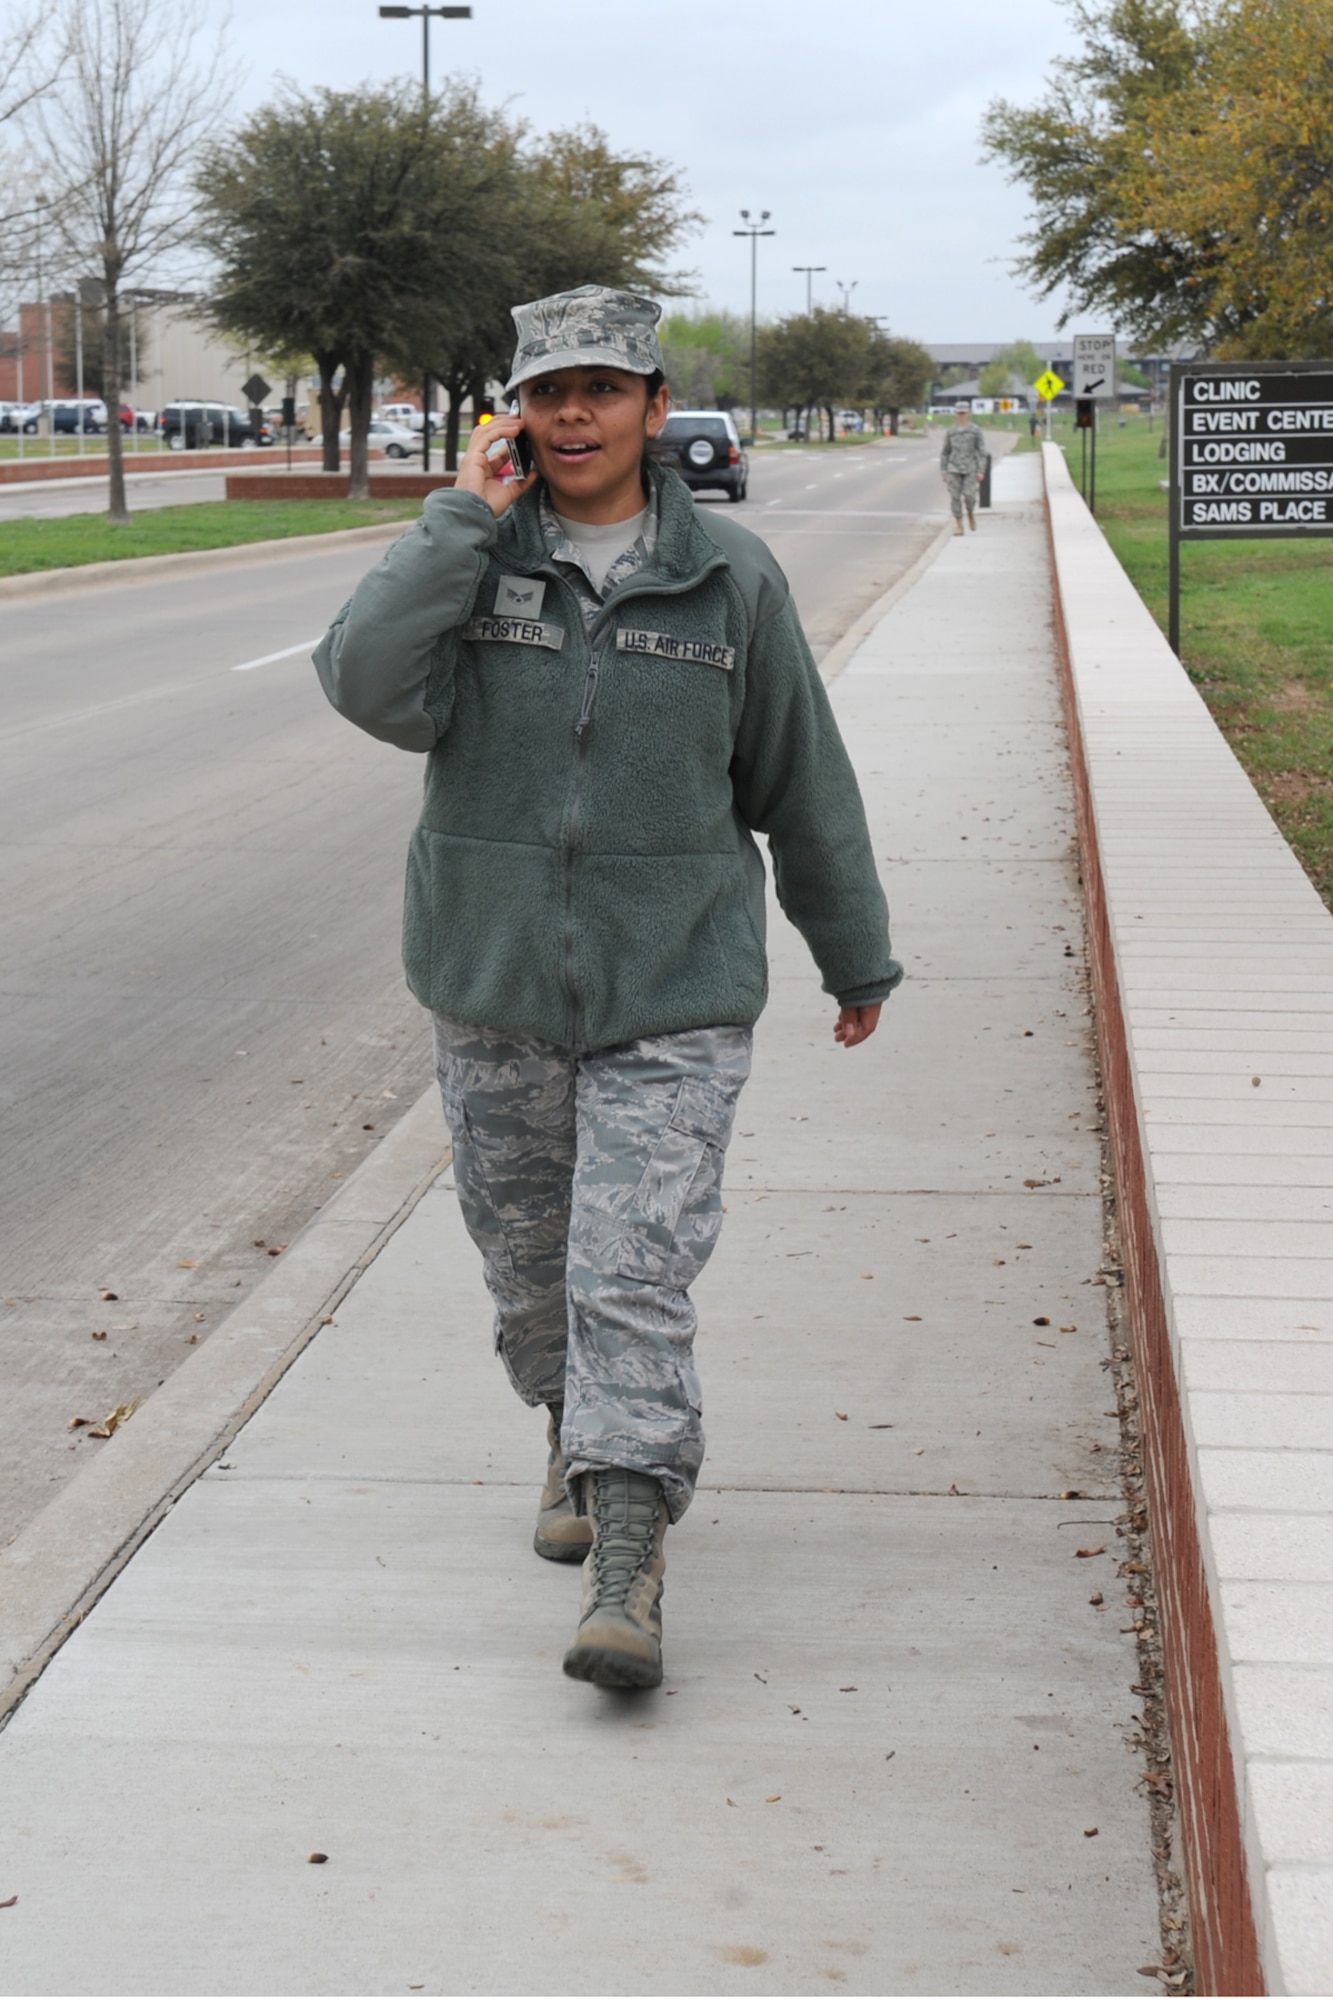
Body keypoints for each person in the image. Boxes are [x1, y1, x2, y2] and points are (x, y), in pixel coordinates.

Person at [314, 284, 902, 1691]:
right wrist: (456, 519)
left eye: (601, 388)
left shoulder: (729, 578)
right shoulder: (474, 561)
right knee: (533, 1282)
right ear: (513, 411)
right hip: (494, 980)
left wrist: (852, 946)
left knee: (629, 1270)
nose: (571, 413)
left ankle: (629, 1566)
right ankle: (570, 1431)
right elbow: (363, 686)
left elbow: (798, 781)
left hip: (676, 989)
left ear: (651, 408)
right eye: (546, 390)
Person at [940, 399, 987, 533]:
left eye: (964, 413)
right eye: (959, 413)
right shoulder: (951, 431)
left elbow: (981, 451)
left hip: (970, 467)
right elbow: (945, 452)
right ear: (956, 414)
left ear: (968, 413)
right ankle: (959, 524)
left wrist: (981, 470)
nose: (961, 415)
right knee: (954, 496)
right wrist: (944, 470)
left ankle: (970, 513)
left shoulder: (975, 430)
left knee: (969, 496)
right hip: (953, 468)